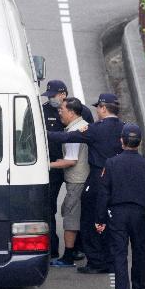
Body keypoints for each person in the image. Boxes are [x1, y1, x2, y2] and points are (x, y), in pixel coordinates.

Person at [47, 93, 124, 274]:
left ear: (104, 108)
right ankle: (110, 258)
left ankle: (96, 262)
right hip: (117, 179)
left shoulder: (96, 129)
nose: (97, 111)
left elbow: (67, 138)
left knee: (91, 219)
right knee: (111, 220)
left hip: (97, 177)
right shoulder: (123, 127)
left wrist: (44, 133)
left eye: (98, 107)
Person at [96, 123, 145, 289]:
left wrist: (100, 219)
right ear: (139, 142)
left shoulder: (111, 163)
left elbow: (104, 194)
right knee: (140, 252)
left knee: (119, 254)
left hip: (117, 214)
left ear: (121, 141)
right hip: (139, 214)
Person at [41, 80, 93, 259]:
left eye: (53, 96)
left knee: (77, 208)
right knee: (48, 207)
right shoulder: (43, 110)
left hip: (74, 167)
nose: (51, 101)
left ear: (63, 95)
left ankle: (77, 248)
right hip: (54, 166)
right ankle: (52, 248)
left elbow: (90, 137)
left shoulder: (81, 112)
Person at [49, 97, 90, 267]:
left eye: (62, 110)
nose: (59, 112)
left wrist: (47, 164)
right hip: (81, 179)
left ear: (72, 112)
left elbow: (71, 160)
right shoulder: (82, 125)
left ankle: (68, 257)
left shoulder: (75, 132)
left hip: (77, 180)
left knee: (70, 219)